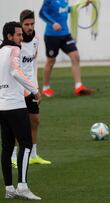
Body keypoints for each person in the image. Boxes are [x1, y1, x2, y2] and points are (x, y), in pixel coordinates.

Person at [0, 21, 41, 200]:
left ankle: (9, 189)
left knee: (7, 148)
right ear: (9, 36)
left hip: (2, 107)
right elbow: (16, 72)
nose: (21, 38)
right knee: (26, 144)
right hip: (15, 106)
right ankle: (23, 186)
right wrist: (34, 90)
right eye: (18, 35)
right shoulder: (14, 50)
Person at [10, 10, 52, 168]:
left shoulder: (36, 39)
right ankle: (13, 156)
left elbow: (33, 65)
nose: (29, 27)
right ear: (21, 24)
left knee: (35, 120)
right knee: (16, 123)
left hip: (31, 88)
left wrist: (35, 85)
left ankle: (33, 155)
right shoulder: (15, 43)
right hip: (17, 88)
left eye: (32, 24)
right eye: (26, 24)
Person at [39, 0, 94, 97]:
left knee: (75, 56)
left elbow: (66, 10)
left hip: (65, 34)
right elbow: (42, 13)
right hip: (51, 36)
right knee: (51, 61)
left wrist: (82, 5)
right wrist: (53, 23)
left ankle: (78, 86)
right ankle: (45, 88)